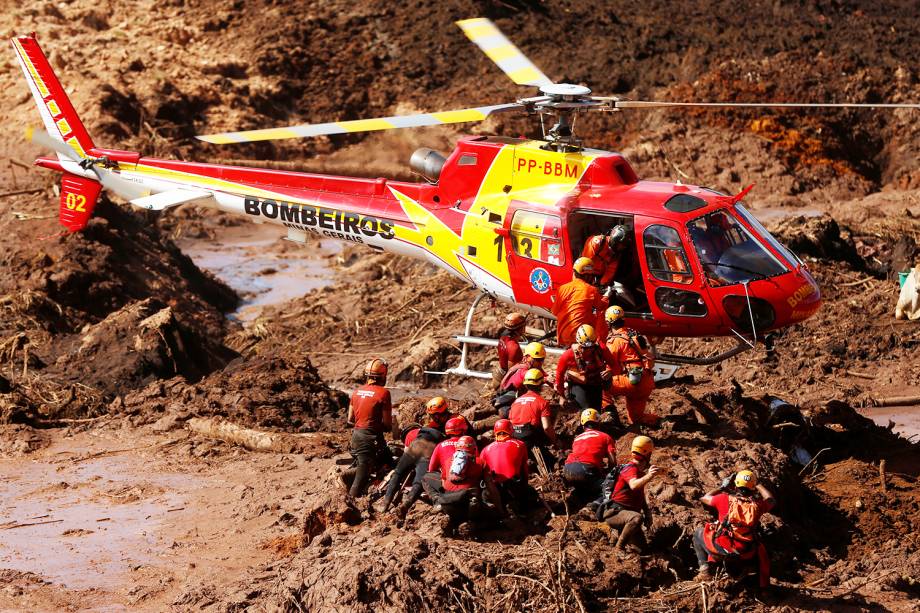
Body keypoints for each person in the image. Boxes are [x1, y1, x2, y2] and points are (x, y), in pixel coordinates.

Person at [693, 470, 776, 589]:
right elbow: (771, 500)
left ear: (736, 485)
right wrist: (758, 484)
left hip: (721, 549)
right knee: (762, 550)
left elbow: (704, 498)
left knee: (699, 533)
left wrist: (722, 487)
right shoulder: (758, 506)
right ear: (753, 488)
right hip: (745, 552)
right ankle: (763, 588)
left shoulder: (723, 499)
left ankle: (705, 571)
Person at [381, 397, 450, 514]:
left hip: (415, 447)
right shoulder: (447, 427)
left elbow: (406, 450)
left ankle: (384, 505)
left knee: (398, 474)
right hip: (429, 451)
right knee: (419, 481)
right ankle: (406, 505)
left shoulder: (426, 427)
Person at [428, 435, 504, 535]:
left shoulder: (447, 461)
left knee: (456, 509)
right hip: (469, 506)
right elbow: (491, 488)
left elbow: (444, 483)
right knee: (493, 517)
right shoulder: (480, 463)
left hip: (447, 501)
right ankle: (470, 526)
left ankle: (452, 521)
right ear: (474, 449)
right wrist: (500, 510)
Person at [596, 435, 660, 551]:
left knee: (642, 550)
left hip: (626, 515)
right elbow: (634, 485)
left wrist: (647, 512)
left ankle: (616, 538)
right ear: (648, 454)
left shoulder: (638, 473)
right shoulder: (630, 468)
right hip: (616, 513)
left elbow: (639, 495)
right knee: (636, 518)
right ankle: (618, 548)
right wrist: (650, 475)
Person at [602, 305, 658, 426]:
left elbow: (611, 366)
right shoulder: (635, 334)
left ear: (609, 323)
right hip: (646, 381)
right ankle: (661, 422)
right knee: (636, 419)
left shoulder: (615, 341)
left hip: (632, 382)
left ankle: (610, 414)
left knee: (599, 384)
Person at [346, 358, 393, 498]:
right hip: (369, 438)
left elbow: (350, 420)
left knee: (385, 458)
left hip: (356, 436)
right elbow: (388, 424)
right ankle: (350, 501)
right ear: (383, 376)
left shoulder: (356, 392)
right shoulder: (384, 393)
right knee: (362, 475)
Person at [551, 257, 609, 346]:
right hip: (583, 336)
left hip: (564, 336)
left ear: (575, 272)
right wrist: (607, 296)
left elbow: (554, 312)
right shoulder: (591, 290)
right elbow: (602, 306)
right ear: (588, 276)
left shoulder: (562, 289)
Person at [563, 409, 617, 502]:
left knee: (585, 485)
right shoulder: (605, 436)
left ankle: (577, 496)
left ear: (583, 425)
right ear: (598, 423)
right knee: (609, 488)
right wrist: (609, 475)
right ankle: (594, 506)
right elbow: (612, 461)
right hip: (585, 470)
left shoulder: (577, 438)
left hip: (567, 470)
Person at [555, 324, 613, 410]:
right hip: (578, 385)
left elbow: (615, 365)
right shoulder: (568, 355)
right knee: (586, 409)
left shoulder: (601, 349)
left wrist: (610, 371)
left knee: (595, 411)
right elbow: (559, 376)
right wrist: (562, 395)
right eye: (585, 348)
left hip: (596, 383)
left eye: (591, 347)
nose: (588, 350)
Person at [509, 368, 558, 469]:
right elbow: (547, 427)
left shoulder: (515, 402)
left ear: (525, 385)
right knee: (552, 464)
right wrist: (555, 441)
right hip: (531, 441)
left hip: (515, 439)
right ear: (541, 385)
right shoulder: (542, 402)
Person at [480, 419, 532, 514]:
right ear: (511, 430)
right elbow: (524, 469)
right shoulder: (520, 444)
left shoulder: (485, 449)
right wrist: (525, 488)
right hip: (513, 489)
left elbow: (482, 473)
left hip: (493, 490)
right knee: (530, 494)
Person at [495, 341, 548, 416]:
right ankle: (478, 425)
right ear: (528, 357)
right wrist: (546, 379)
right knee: (521, 416)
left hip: (511, 400)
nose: (540, 362)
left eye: (542, 359)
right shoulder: (524, 370)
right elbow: (532, 377)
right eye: (537, 360)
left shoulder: (533, 366)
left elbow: (544, 375)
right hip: (506, 403)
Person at [493, 312, 527, 389]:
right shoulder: (514, 347)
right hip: (505, 381)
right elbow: (512, 372)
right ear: (521, 328)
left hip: (499, 373)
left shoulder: (503, 337)